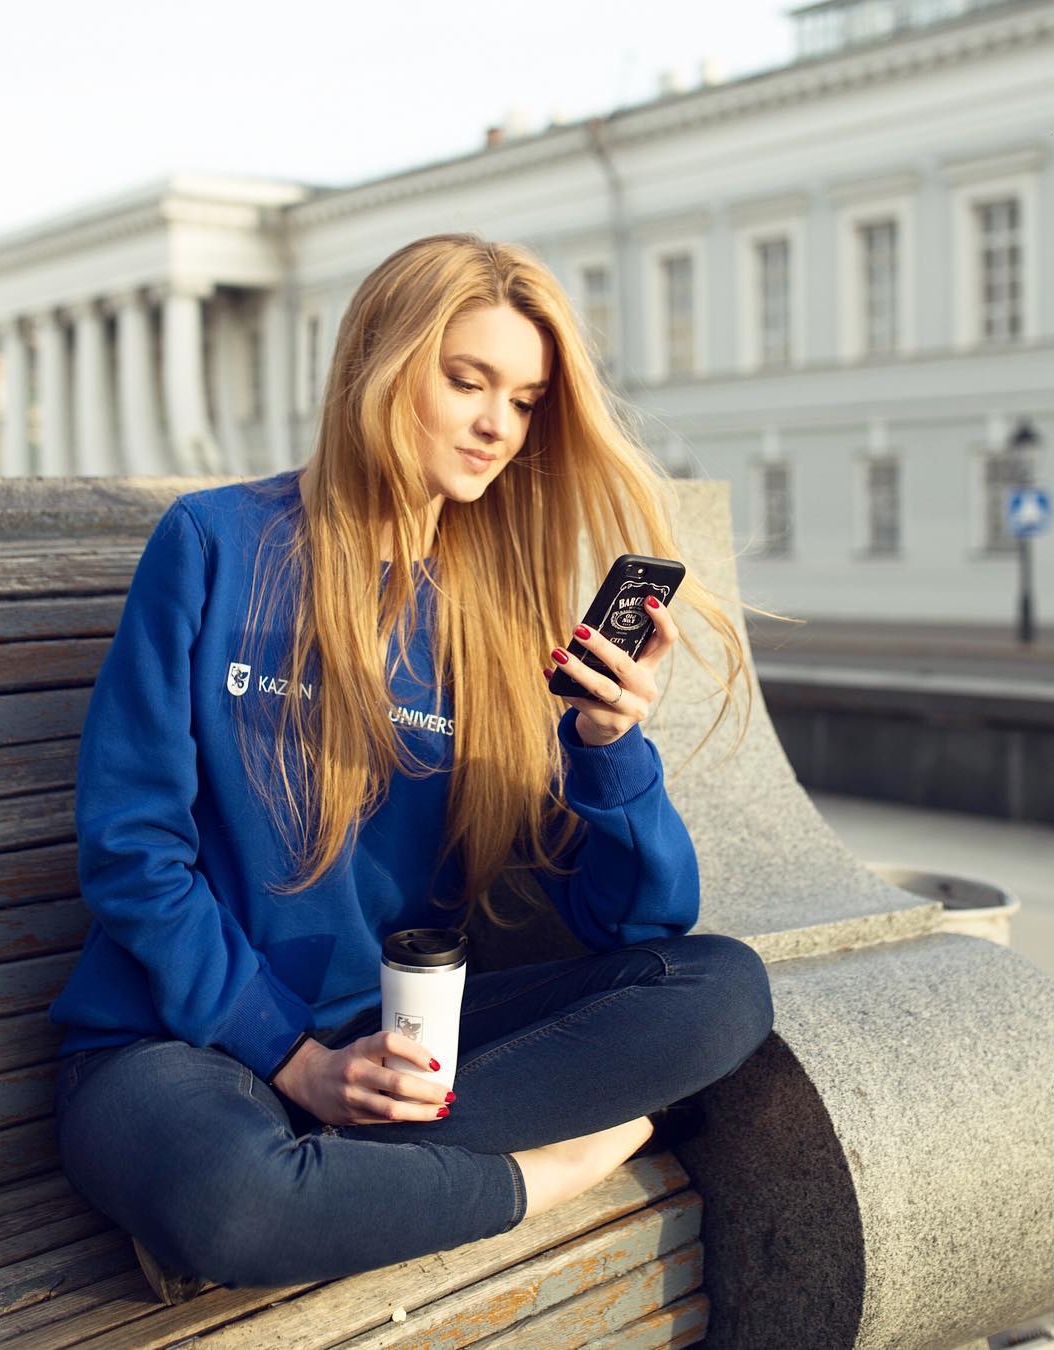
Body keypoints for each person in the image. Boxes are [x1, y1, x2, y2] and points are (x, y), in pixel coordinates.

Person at [50, 232, 775, 1299]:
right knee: (234, 1200)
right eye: (466, 380)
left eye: (525, 401)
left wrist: (609, 751)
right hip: (176, 1041)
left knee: (724, 991)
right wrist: (294, 1060)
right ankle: (520, 1178)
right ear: (382, 366)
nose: (496, 425)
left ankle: (328, 1190)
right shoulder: (214, 543)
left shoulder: (493, 612)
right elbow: (133, 848)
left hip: (402, 1049)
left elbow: (633, 932)